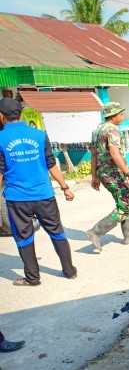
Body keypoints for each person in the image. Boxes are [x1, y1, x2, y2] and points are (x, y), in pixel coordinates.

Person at [0, 97, 77, 286]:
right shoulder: (40, 135)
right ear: (21, 113)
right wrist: (65, 187)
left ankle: (33, 278)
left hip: (17, 199)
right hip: (44, 195)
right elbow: (51, 164)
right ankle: (69, 271)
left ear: (1, 116)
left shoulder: (1, 139)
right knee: (57, 231)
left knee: (24, 237)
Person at [86, 101, 129, 252]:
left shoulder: (97, 130)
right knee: (126, 205)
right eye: (121, 114)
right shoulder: (112, 131)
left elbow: (93, 154)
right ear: (113, 116)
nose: (123, 116)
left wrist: (94, 176)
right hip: (114, 173)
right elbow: (114, 153)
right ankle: (96, 231)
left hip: (103, 173)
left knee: (122, 201)